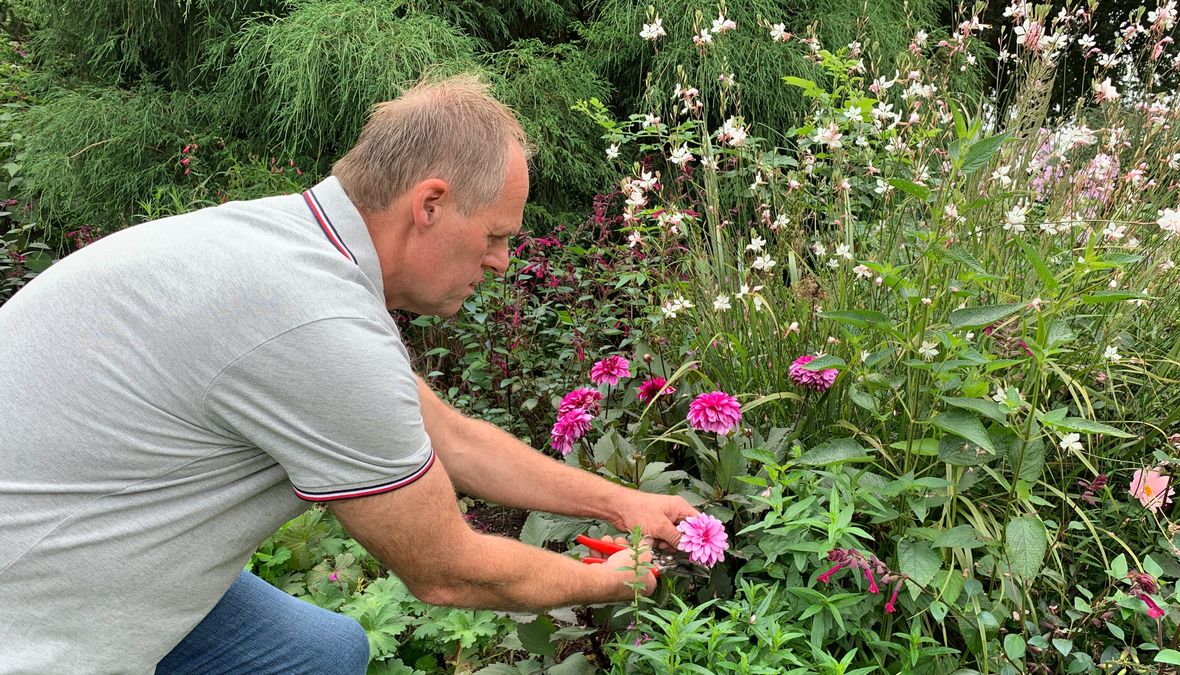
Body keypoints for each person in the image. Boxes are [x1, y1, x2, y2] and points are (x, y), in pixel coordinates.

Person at [0, 74, 697, 673]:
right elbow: (444, 569)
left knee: (318, 651)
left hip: (77, 537)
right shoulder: (312, 322)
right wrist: (609, 581)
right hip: (37, 603)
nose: (502, 263)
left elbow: (452, 440)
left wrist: (622, 504)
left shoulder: (299, 257)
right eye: (494, 236)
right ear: (429, 205)